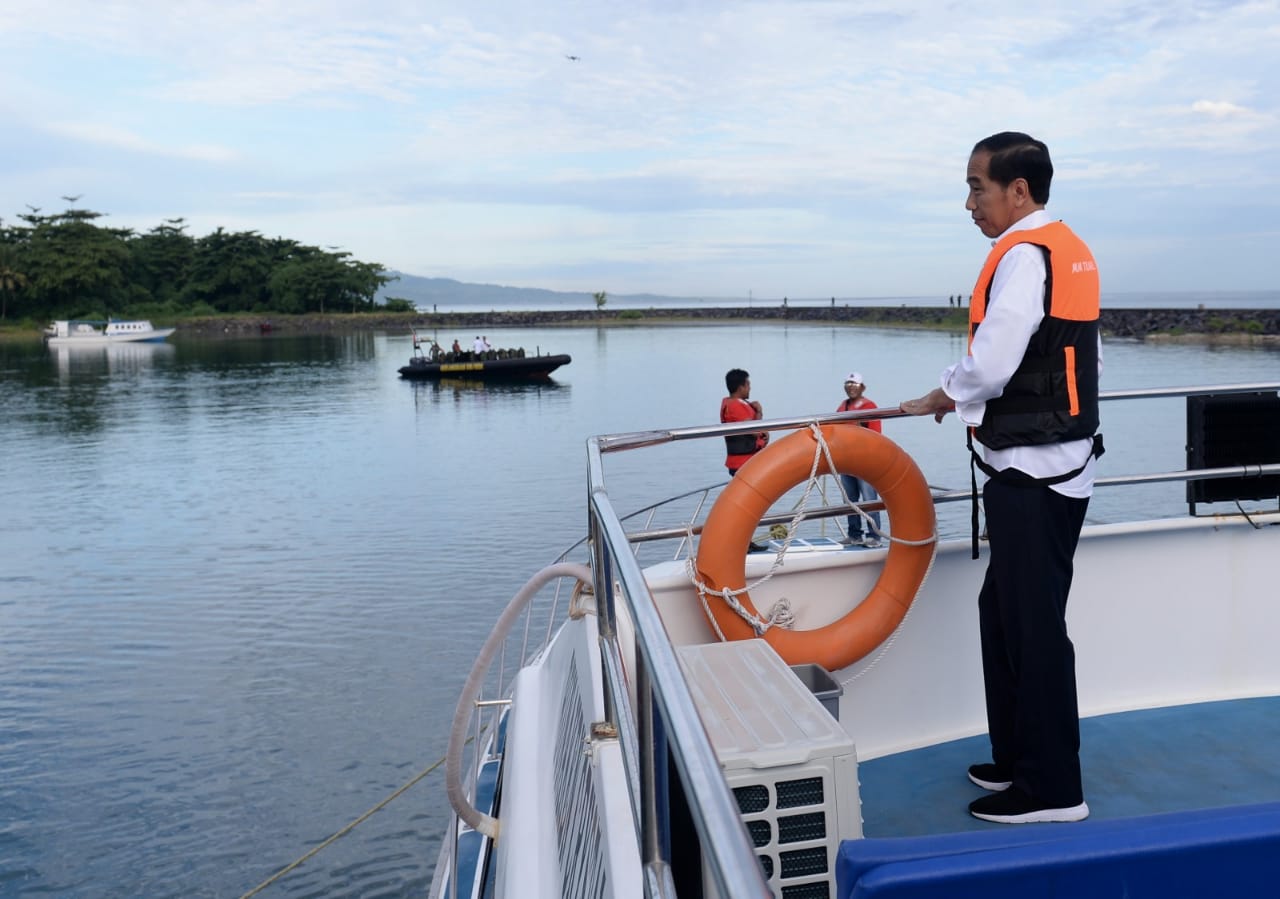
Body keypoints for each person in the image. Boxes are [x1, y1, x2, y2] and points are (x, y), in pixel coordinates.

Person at [901, 131, 1103, 826]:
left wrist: (941, 393)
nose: (969, 203)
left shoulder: (1022, 256)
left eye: (977, 187)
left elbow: (991, 363)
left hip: (1034, 473)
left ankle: (1052, 789)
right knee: (1006, 615)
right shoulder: (1063, 247)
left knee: (1034, 627)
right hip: (1051, 463)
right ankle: (1019, 755)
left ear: (1020, 190)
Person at [835, 372, 883, 547]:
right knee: (850, 500)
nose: (851, 387)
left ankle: (874, 536)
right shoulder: (843, 407)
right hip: (846, 462)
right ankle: (854, 534)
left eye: (854, 384)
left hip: (864, 462)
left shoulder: (870, 407)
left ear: (862, 387)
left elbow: (876, 436)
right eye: (848, 384)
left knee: (869, 499)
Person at [720, 369, 767, 476]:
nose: (750, 388)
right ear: (741, 387)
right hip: (743, 463)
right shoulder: (735, 406)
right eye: (748, 385)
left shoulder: (732, 403)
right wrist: (759, 412)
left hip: (744, 461)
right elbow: (754, 430)